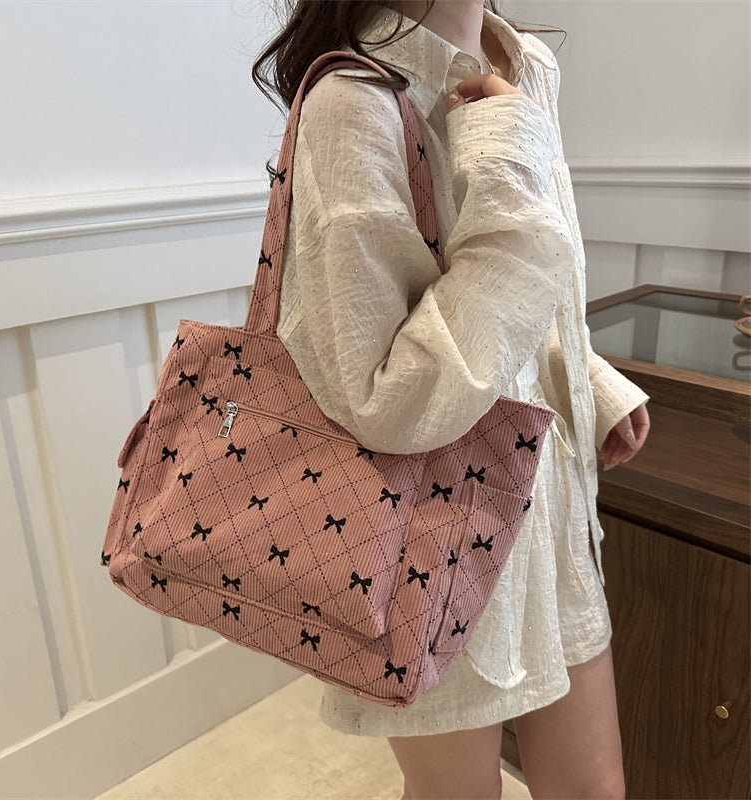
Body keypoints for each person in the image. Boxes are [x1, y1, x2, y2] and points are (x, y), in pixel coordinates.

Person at [252, 1, 651, 798]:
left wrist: (589, 378)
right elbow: (387, 400)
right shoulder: (353, 101)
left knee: (596, 788)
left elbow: (531, 299)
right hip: (432, 540)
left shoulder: (527, 64)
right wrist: (508, 175)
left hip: (550, 507)